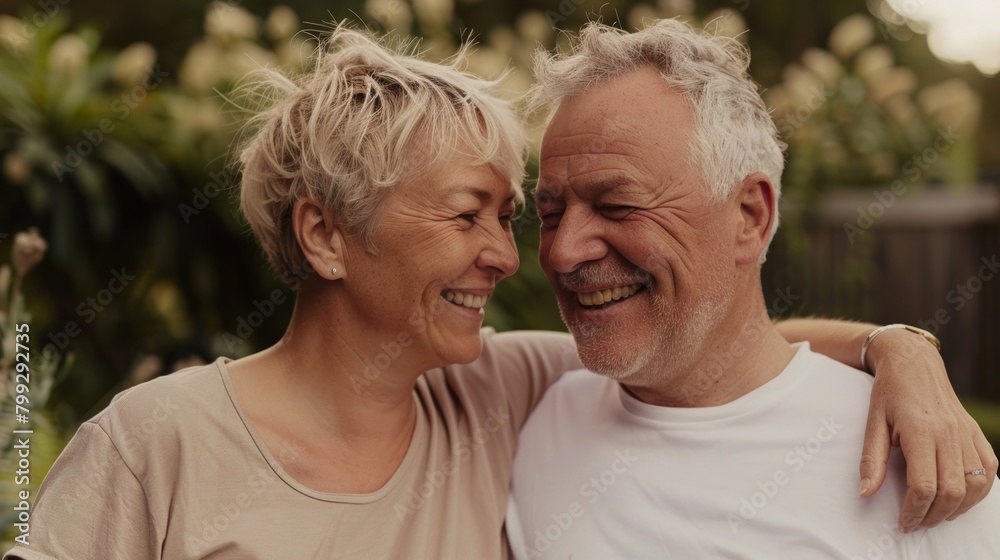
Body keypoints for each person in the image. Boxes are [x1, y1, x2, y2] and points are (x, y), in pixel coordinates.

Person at [3, 25, 992, 560]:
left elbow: (716, 343)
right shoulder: (156, 442)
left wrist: (901, 344)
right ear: (325, 233)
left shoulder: (500, 392)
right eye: (474, 213)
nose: (525, 256)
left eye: (504, 215)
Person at [506, 19, 1000, 559]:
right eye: (550, 213)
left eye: (617, 206)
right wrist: (896, 343)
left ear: (749, 215)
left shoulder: (922, 471)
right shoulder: (527, 408)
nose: (563, 251)